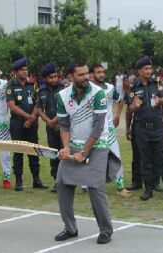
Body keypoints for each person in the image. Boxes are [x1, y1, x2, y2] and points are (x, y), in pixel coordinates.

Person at [55, 60, 113, 244]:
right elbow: (64, 125)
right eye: (81, 74)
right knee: (61, 184)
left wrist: (84, 153)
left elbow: (98, 127)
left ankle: (106, 230)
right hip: (74, 144)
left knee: (95, 187)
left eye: (87, 73)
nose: (86, 77)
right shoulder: (62, 96)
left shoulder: (98, 93)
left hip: (97, 144)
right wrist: (66, 148)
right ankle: (70, 228)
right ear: (71, 77)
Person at [125, 56, 163, 201]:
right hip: (141, 127)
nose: (149, 71)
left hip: (157, 127)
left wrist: (161, 101)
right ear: (138, 71)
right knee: (145, 159)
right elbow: (129, 109)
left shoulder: (158, 82)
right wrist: (134, 107)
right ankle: (148, 189)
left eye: (150, 68)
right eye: (145, 69)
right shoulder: (132, 87)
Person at [90, 63, 131, 198]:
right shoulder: (87, 90)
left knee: (116, 157)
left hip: (109, 130)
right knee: (90, 157)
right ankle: (88, 183)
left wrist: (117, 116)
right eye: (98, 72)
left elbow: (120, 100)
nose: (101, 74)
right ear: (92, 74)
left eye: (103, 72)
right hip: (92, 131)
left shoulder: (110, 88)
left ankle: (120, 186)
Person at [6, 58, 47, 191]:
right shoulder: (11, 85)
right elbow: (12, 106)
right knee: (18, 151)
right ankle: (18, 181)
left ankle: (37, 179)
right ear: (16, 72)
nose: (25, 72)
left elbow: (38, 103)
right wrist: (27, 116)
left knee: (34, 150)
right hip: (17, 123)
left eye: (26, 69)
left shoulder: (32, 85)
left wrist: (31, 119)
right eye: (22, 70)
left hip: (32, 123)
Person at [37, 63, 64, 193]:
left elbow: (68, 107)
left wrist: (56, 120)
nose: (53, 79)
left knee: (64, 153)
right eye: (50, 77)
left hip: (64, 126)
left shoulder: (64, 89)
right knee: (54, 153)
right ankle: (56, 181)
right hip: (51, 128)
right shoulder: (42, 91)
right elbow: (39, 109)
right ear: (45, 79)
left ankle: (65, 182)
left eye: (55, 76)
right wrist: (48, 121)